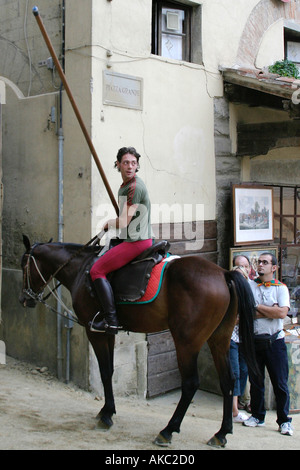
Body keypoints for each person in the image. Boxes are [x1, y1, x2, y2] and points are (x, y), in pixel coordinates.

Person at [88, 147, 153, 334]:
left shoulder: (134, 187)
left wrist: (109, 223)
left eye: (133, 163)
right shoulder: (126, 185)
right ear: (118, 164)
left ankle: (111, 320)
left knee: (96, 270)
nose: (130, 166)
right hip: (132, 237)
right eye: (125, 162)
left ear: (137, 165)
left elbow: (124, 221)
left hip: (136, 241)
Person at [243, 252, 293, 436]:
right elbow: (246, 311)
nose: (260, 265)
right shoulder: (250, 285)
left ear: (274, 268)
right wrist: (270, 310)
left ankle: (284, 421)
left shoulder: (280, 288)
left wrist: (257, 308)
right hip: (255, 341)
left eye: (265, 262)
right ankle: (257, 415)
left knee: (280, 383)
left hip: (275, 341)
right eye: (259, 262)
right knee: (256, 381)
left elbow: (281, 314)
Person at [230, 255, 251, 423]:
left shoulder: (251, 287)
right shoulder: (230, 287)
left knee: (243, 370)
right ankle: (234, 410)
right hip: (231, 336)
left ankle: (240, 403)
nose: (241, 269)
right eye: (237, 266)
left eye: (244, 266)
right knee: (235, 372)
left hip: (244, 337)